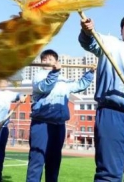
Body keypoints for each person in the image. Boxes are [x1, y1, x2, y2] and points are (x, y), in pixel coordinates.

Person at [79, 13, 124, 181]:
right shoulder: (110, 44)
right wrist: (87, 31)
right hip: (114, 114)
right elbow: (88, 42)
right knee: (109, 175)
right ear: (121, 31)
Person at [26, 49, 95, 182]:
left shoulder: (64, 80)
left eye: (50, 59)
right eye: (44, 59)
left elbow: (79, 85)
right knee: (37, 159)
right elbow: (45, 87)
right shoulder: (39, 76)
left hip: (59, 124)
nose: (46, 62)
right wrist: (55, 72)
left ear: (57, 62)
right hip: (41, 123)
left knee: (54, 161)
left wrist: (90, 73)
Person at [0, 79, 26, 182]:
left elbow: (20, 94)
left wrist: (21, 97)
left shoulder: (9, 94)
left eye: (5, 81)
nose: (3, 83)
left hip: (3, 129)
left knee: (0, 155)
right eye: (1, 81)